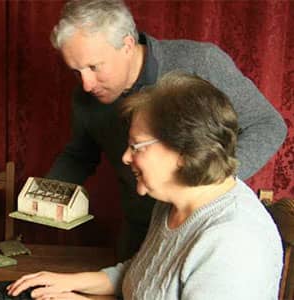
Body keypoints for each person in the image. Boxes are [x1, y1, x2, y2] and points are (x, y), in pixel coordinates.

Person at [8, 72, 284, 300]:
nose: (126, 157)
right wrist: (67, 283)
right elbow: (142, 278)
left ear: (183, 151)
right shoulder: (171, 203)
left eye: (136, 146)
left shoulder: (233, 243)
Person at [45, 0, 287, 260]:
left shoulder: (201, 62)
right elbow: (80, 155)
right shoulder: (84, 98)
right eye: (76, 71)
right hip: (139, 233)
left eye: (94, 67)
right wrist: (43, 195)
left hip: (202, 229)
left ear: (127, 45)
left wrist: (205, 180)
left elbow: (268, 125)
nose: (86, 84)